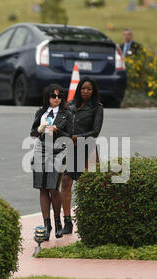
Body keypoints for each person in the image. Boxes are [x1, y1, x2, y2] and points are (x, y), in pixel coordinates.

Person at [61, 77, 104, 235]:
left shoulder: (97, 107)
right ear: (78, 89)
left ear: (93, 91)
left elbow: (96, 131)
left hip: (88, 148)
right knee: (66, 182)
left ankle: (91, 221)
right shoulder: (70, 106)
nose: (85, 91)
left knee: (90, 185)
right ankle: (67, 222)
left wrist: (79, 137)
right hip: (73, 149)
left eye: (89, 89)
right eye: (83, 88)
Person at [30, 84, 72, 240]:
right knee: (42, 188)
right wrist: (40, 128)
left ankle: (58, 222)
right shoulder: (41, 112)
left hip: (58, 151)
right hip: (41, 150)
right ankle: (46, 224)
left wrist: (57, 130)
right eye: (53, 96)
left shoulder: (66, 114)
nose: (57, 99)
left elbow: (69, 135)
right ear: (47, 97)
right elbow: (33, 132)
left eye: (60, 96)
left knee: (53, 188)